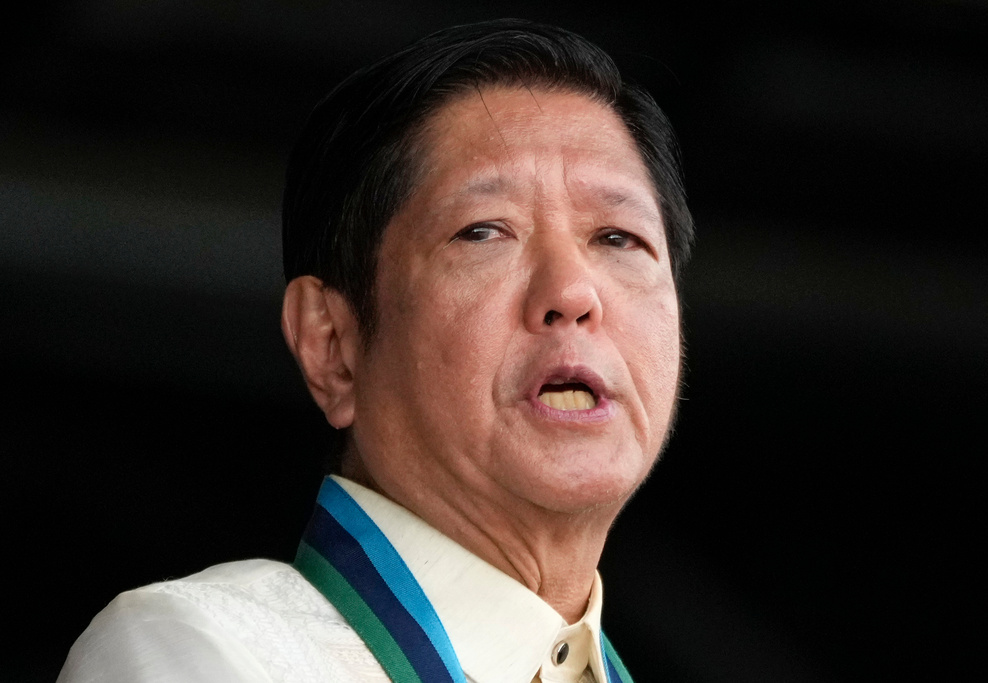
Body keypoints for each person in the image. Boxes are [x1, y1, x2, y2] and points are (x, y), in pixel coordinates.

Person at [57, 18, 694, 683]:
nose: (571, 291)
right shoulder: (203, 648)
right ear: (332, 345)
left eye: (620, 238)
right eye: (483, 231)